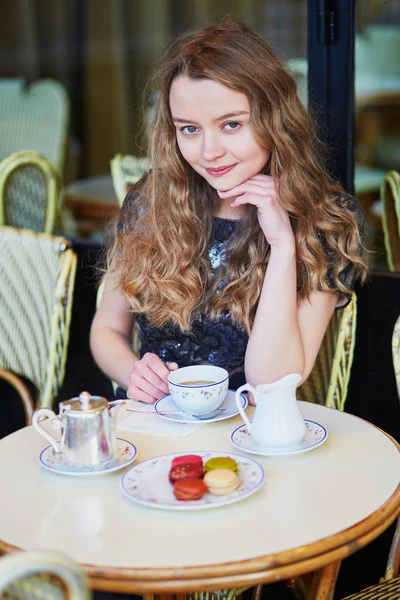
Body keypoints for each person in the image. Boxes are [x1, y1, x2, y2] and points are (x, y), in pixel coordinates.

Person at [90, 20, 367, 405]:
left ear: (276, 120)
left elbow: (270, 384)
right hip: (153, 428)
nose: (209, 152)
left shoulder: (323, 220)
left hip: (251, 437)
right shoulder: (151, 200)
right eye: (189, 129)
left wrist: (283, 245)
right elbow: (106, 328)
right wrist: (134, 374)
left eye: (231, 124)